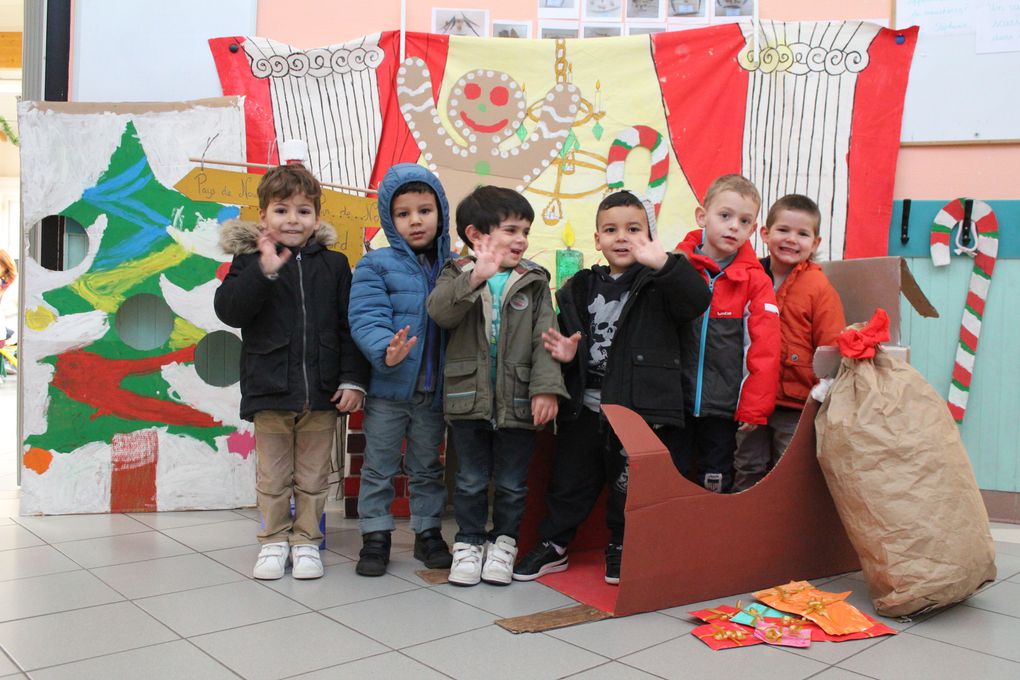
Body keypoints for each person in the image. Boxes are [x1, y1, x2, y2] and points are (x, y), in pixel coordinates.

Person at [513, 190, 711, 584]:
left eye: (633, 229)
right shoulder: (579, 287)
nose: (622, 237)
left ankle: (623, 543)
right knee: (570, 478)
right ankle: (554, 544)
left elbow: (696, 301)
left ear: (650, 235)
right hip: (586, 405)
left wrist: (666, 264)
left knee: (629, 484)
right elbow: (566, 338)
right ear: (597, 239)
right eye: (611, 230)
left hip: (638, 408)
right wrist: (569, 356)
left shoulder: (661, 280)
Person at [214, 164, 368, 580]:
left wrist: (352, 380)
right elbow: (229, 310)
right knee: (274, 476)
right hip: (270, 388)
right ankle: (272, 541)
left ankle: (305, 543)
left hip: (320, 392)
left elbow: (347, 325)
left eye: (303, 211)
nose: (293, 220)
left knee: (315, 477)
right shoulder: (249, 261)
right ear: (263, 215)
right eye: (282, 210)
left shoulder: (335, 265)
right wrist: (264, 272)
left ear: (317, 218)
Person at [426, 186, 568, 587]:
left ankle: (503, 544)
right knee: (469, 480)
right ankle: (469, 544)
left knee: (511, 483)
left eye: (525, 230)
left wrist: (546, 389)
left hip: (519, 399)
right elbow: (440, 313)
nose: (521, 239)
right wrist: (475, 278)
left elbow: (547, 339)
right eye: (511, 229)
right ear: (476, 234)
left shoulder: (535, 281)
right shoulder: (456, 273)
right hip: (466, 397)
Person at [348, 163, 453, 576]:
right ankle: (376, 535)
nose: (415, 221)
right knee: (379, 465)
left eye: (424, 210)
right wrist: (383, 350)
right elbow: (366, 317)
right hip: (389, 391)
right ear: (389, 221)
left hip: (434, 392)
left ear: (441, 211)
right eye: (403, 213)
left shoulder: (455, 266)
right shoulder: (376, 265)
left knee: (428, 466)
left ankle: (428, 533)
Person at [673, 174, 780, 494]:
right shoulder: (677, 267)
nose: (734, 226)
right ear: (701, 216)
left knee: (715, 476)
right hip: (674, 403)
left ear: (752, 229)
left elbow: (763, 348)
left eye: (745, 221)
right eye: (725, 216)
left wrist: (753, 408)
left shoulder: (755, 282)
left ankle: (710, 539)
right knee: (671, 474)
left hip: (723, 408)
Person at [731, 194, 845, 492]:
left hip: (794, 404)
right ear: (766, 234)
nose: (791, 239)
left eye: (802, 234)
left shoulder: (819, 288)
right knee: (747, 465)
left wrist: (823, 393)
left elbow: (831, 346)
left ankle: (781, 532)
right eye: (783, 230)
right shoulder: (749, 276)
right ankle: (744, 527)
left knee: (788, 473)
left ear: (815, 243)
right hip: (751, 400)